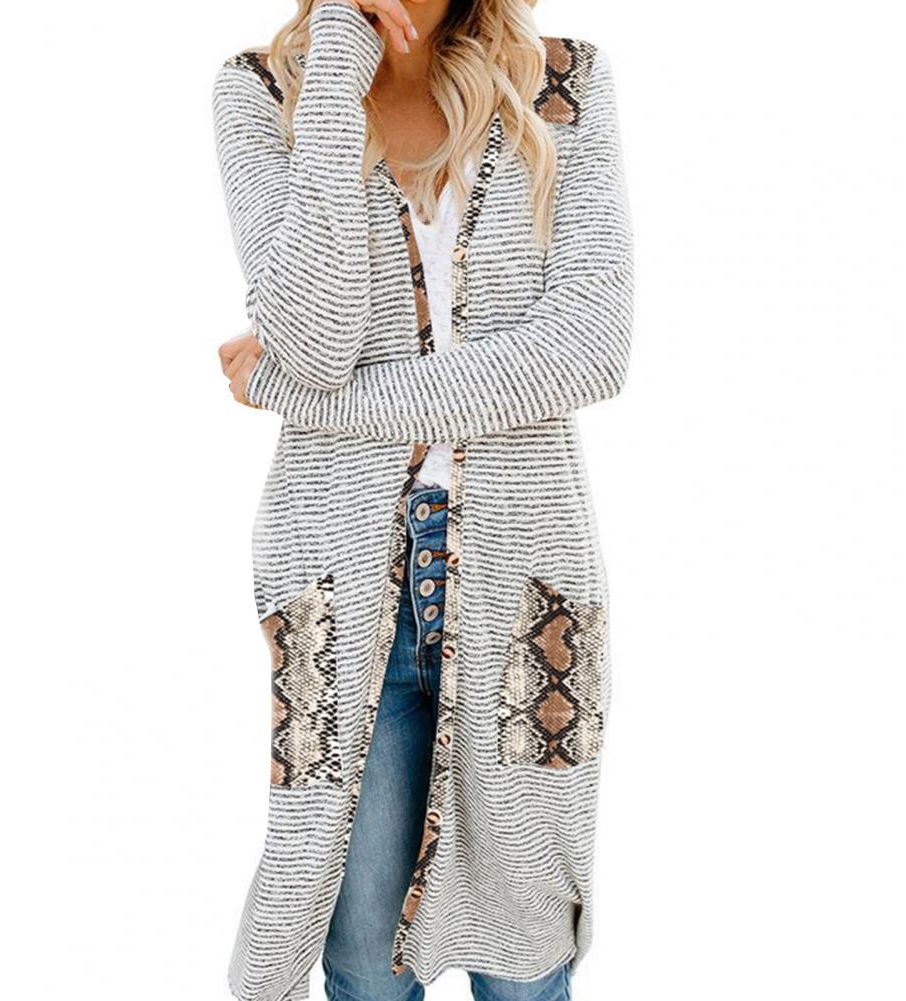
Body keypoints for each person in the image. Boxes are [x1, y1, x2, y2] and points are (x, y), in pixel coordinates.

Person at [212, 1, 633, 999]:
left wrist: (297, 394)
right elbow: (314, 336)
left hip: (527, 581)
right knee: (363, 953)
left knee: (524, 948)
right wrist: (338, 68)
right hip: (337, 574)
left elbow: (588, 349)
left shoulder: (561, 81)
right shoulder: (263, 91)